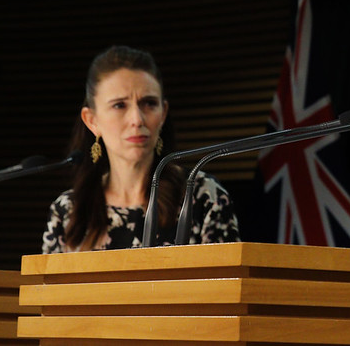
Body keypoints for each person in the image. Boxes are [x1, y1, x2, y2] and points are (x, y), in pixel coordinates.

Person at [42, 45, 240, 252]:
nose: (137, 119)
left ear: (163, 114)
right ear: (92, 121)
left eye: (149, 103)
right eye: (120, 105)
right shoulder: (68, 209)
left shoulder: (202, 196)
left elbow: (227, 282)